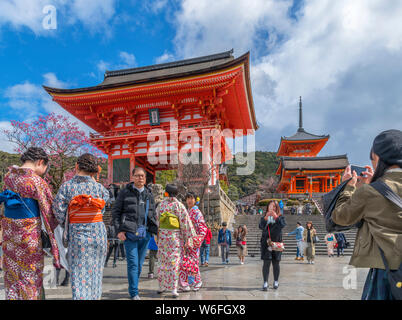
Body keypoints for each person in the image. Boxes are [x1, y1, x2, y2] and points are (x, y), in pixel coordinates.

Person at [332, 129, 402, 300]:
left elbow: (340, 217)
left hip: (387, 269)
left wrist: (347, 187)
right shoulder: (373, 190)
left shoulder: (370, 192)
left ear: (377, 157)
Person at [0, 147, 60, 300]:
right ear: (40, 162)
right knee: (30, 278)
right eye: (45, 167)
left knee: (12, 278)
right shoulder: (36, 181)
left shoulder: (8, 177)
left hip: (9, 235)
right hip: (29, 238)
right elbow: (49, 213)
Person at [53, 153, 109, 300]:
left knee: (79, 276)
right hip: (98, 235)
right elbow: (102, 210)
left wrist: (71, 217)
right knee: (96, 275)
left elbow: (58, 212)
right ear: (95, 170)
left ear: (77, 166)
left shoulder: (67, 187)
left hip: (78, 236)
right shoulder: (101, 189)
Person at [112, 167, 158, 300]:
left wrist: (153, 232)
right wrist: (119, 230)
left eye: (142, 176)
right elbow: (116, 212)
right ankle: (134, 292)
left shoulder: (149, 194)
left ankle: (134, 287)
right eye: (137, 176)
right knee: (132, 263)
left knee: (138, 264)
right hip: (129, 233)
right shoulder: (125, 193)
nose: (140, 178)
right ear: (132, 177)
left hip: (145, 234)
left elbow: (152, 214)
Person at [156, 184, 196, 298]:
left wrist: (158, 234)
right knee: (174, 262)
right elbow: (185, 223)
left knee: (162, 262)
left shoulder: (161, 205)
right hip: (174, 237)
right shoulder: (179, 205)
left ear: (166, 193)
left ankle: (161, 286)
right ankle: (173, 288)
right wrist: (187, 238)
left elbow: (157, 220)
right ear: (177, 194)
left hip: (163, 236)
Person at [179, 192, 207, 291]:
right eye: (187, 199)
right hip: (186, 241)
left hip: (193, 241)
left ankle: (197, 281)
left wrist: (196, 240)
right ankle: (186, 283)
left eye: (191, 198)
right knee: (185, 262)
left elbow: (203, 228)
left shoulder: (197, 212)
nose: (189, 201)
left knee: (193, 262)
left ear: (195, 200)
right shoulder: (188, 211)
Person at [259, 200, 286, 291]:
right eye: (270, 206)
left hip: (277, 243)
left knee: (276, 263)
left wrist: (275, 216)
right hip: (266, 243)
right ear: (268, 207)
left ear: (277, 208)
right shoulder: (264, 217)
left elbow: (282, 225)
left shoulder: (280, 217)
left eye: (274, 206)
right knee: (266, 263)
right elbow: (261, 226)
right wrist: (266, 218)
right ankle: (265, 282)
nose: (272, 208)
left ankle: (276, 281)